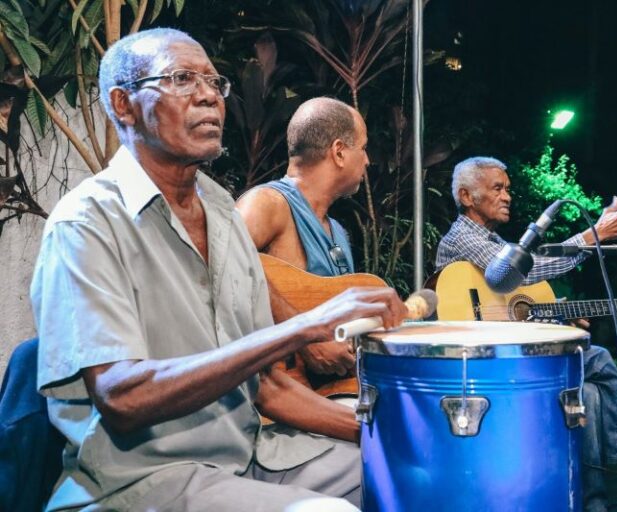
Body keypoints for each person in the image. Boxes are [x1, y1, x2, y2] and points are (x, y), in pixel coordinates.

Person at [30, 28, 407, 512]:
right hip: (140, 481)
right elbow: (122, 398)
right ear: (123, 105)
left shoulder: (223, 211)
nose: (208, 94)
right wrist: (300, 329)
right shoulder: (87, 222)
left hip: (250, 455)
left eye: (214, 82)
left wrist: (385, 433)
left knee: (413, 469)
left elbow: (266, 386)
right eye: (182, 78)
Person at [435, 156, 617, 511]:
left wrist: (553, 317)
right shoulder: (464, 236)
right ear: (466, 196)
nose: (507, 196)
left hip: (501, 351)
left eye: (507, 188)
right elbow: (516, 273)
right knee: (598, 356)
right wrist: (591, 237)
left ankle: (593, 500)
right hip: (476, 363)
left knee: (592, 394)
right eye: (497, 188)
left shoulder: (490, 239)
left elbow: (510, 300)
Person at [236, 97, 370, 380]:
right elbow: (220, 265)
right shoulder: (267, 204)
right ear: (339, 152)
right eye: (364, 148)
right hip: (275, 404)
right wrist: (307, 339)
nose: (367, 160)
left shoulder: (338, 232)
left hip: (330, 392)